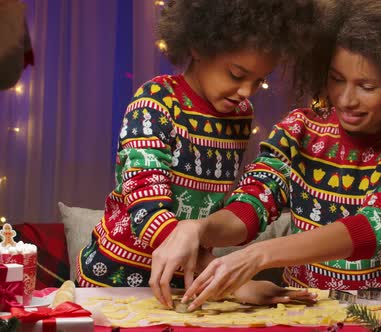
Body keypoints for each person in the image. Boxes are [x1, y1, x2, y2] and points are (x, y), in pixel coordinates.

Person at [150, 0, 381, 310]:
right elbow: (251, 205)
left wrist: (259, 255)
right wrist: (197, 228)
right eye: (336, 79)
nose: (346, 99)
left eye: (367, 86)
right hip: (303, 315)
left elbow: (375, 224)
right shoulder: (299, 129)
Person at [77, 0, 317, 305]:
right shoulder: (155, 102)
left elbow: (214, 214)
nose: (246, 91)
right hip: (116, 280)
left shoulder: (241, 115)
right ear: (198, 47)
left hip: (189, 286)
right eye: (236, 74)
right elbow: (146, 213)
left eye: (259, 80)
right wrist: (231, 284)